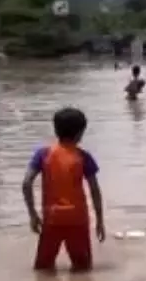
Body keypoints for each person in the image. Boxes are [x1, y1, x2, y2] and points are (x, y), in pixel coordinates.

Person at [22, 107, 106, 272]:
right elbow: (95, 190)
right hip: (77, 219)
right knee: (83, 270)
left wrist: (32, 215)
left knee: (43, 270)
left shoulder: (43, 154)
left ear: (55, 129)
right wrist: (100, 221)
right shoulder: (84, 157)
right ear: (80, 133)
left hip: (52, 219)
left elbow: (26, 183)